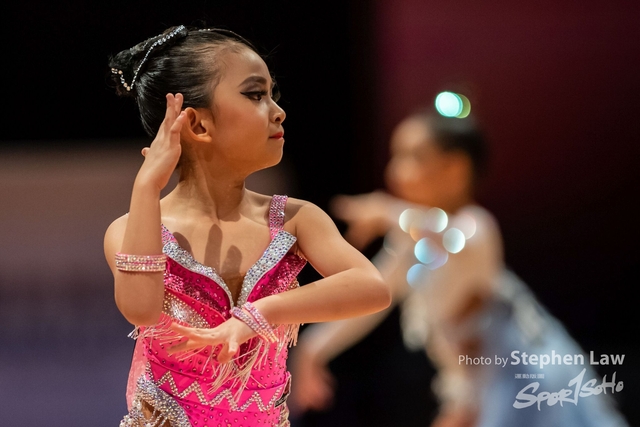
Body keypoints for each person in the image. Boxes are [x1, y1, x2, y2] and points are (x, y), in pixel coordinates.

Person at [103, 25, 390, 427]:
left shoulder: (294, 219)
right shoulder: (130, 229)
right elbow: (141, 311)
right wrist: (146, 187)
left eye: (273, 94)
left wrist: (259, 313)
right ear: (198, 125)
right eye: (256, 95)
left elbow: (372, 288)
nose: (278, 110)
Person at [289, 110, 629, 427]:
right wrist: (313, 349)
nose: (395, 171)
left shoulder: (476, 226)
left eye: (412, 157)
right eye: (396, 156)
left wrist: (389, 212)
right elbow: (373, 296)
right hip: (473, 385)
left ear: (455, 169)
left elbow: (450, 238)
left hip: (526, 380)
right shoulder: (411, 241)